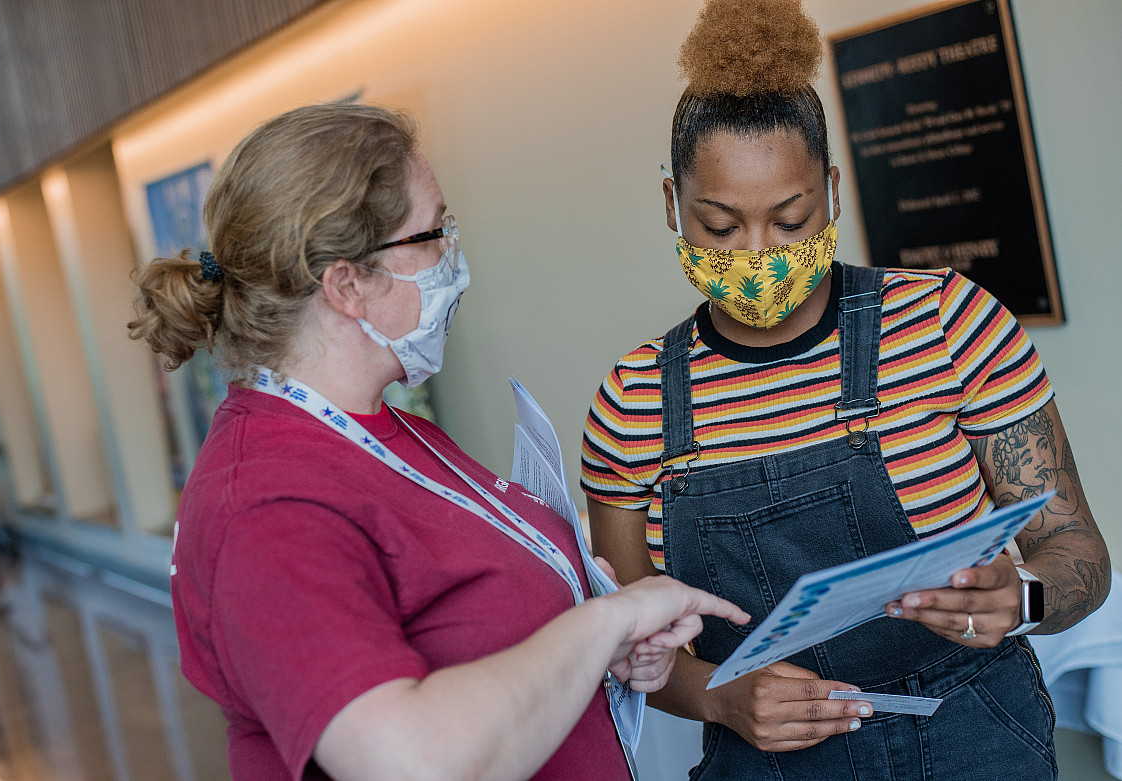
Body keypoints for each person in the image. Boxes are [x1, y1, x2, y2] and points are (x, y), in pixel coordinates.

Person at [129, 101, 749, 781]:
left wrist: (614, 648)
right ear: (347, 283)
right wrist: (608, 622)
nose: (454, 255)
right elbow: (407, 760)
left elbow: (486, 634)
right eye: (431, 234)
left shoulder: (394, 431)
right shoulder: (264, 503)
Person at [581, 0, 1111, 778]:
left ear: (830, 193)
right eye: (721, 227)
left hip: (975, 737)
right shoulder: (633, 404)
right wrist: (722, 697)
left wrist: (1022, 599)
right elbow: (632, 649)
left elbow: (1079, 554)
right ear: (672, 205)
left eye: (790, 219)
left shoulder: (949, 322)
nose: (758, 254)